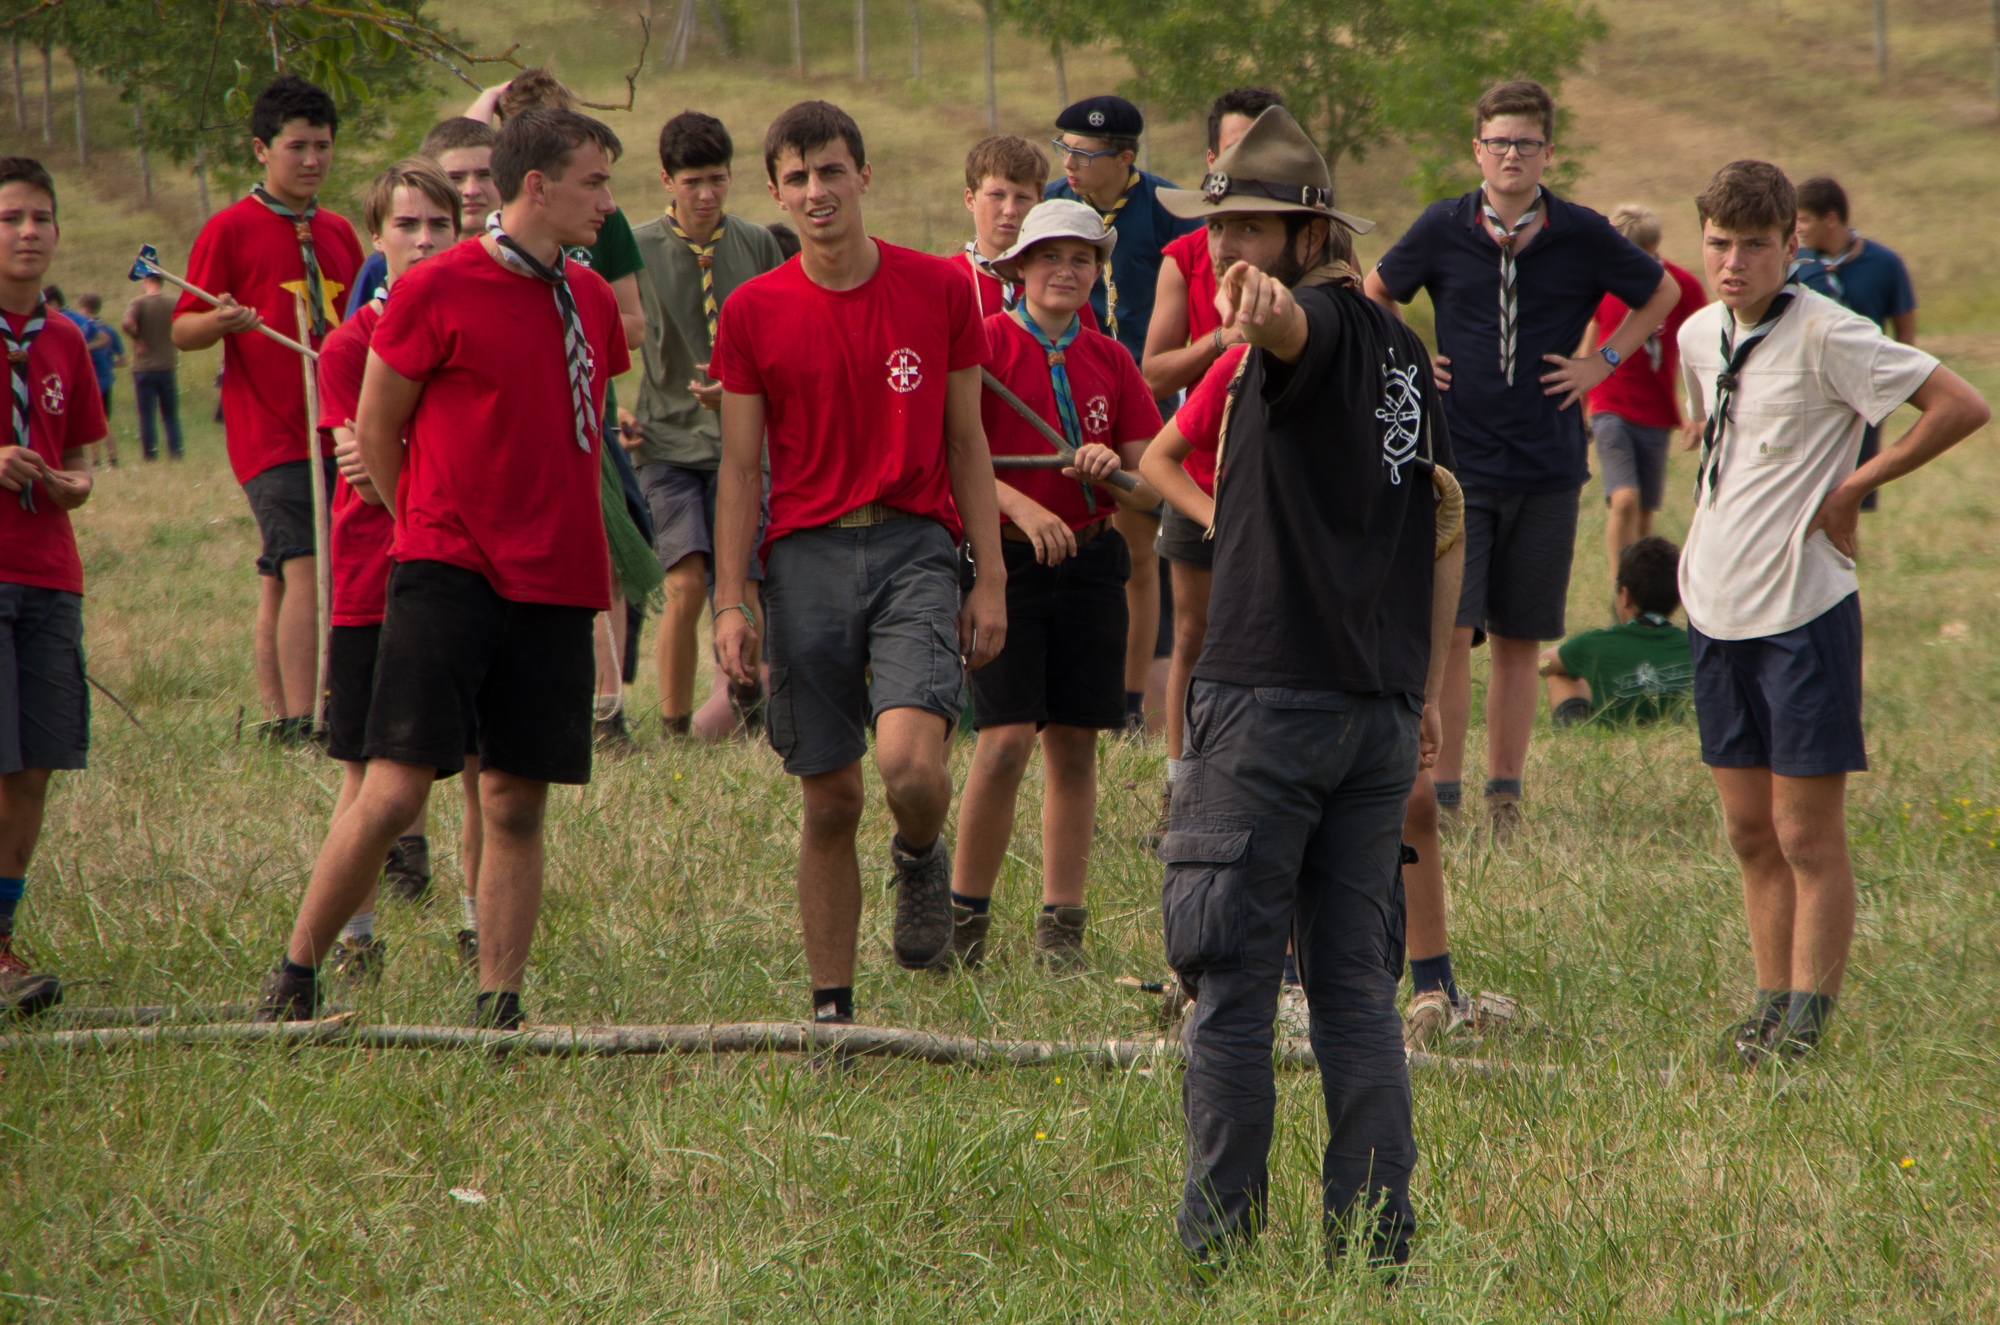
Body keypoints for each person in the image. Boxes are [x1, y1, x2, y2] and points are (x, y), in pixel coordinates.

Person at [1144, 107, 1462, 1278]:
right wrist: (1419, 685)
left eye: (1247, 227)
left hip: (1268, 704)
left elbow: (1285, 323)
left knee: (1231, 989)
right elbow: (1443, 518)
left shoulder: (1312, 323)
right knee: (1355, 995)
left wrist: (1262, 307)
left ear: (1309, 231)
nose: (1223, 247)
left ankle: (1218, 1261)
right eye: (1216, 227)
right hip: (1371, 711)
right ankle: (1373, 1254)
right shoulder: (1401, 350)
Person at [252, 108, 630, 1028]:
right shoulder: (438, 288)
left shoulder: (589, 298)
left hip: (556, 580)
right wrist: (426, 520)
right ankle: (296, 976)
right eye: (594, 182)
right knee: (394, 788)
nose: (608, 203)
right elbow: (378, 428)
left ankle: (500, 1005)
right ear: (536, 185)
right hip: (448, 570)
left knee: (516, 798)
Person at [1677, 160, 1987, 1067]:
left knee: (1805, 833)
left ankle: (1808, 1023)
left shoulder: (1829, 332)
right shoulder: (1698, 334)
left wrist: (1853, 485)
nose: (1734, 263)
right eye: (1719, 244)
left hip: (1800, 611)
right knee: (1748, 831)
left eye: (1755, 246)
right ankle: (1768, 1004)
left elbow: (1960, 405)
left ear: (1791, 247)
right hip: (1714, 608)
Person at [708, 101, 1006, 1024]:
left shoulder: (939, 289)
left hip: (915, 543)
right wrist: (731, 599)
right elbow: (741, 469)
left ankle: (919, 854)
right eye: (797, 178)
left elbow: (968, 443)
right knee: (832, 798)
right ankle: (832, 1011)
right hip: (804, 557)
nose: (817, 192)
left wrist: (990, 576)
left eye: (832, 170)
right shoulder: (752, 311)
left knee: (911, 768)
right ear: (775, 193)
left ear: (864, 175)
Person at [1364, 79, 1677, 841]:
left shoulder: (1581, 231)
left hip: (1547, 462)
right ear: (1477, 149)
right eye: (1499, 142)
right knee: (1450, 634)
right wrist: (1414, 360)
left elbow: (1660, 292)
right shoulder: (1443, 225)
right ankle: (1442, 794)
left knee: (1519, 639)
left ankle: (1504, 796)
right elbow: (1376, 291)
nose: (1512, 155)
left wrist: (1602, 362)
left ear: (1547, 152)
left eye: (1526, 143)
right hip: (1457, 464)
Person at [948, 200, 1161, 971]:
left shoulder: (1113, 359)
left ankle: (1061, 931)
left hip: (1094, 562)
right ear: (1018, 268)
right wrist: (1022, 504)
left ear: (1099, 270)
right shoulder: (985, 347)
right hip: (1005, 565)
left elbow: (1151, 483)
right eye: (1050, 257)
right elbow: (953, 456)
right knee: (1005, 741)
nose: (1066, 271)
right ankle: (963, 923)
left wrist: (1114, 470)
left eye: (1082, 258)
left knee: (1074, 745)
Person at [313, 158, 485, 981]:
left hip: (469, 577)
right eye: (405, 225)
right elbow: (368, 466)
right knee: (367, 771)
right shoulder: (350, 344)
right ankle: (355, 936)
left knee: (484, 767)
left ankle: (478, 922)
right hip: (372, 581)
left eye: (438, 224)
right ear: (376, 237)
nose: (423, 240)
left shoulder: (477, 329)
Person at [172, 75, 366, 743]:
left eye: (322, 146)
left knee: (290, 570)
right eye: (296, 147)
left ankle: (289, 709)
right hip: (272, 434)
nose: (311, 160)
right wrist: (220, 321)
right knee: (306, 561)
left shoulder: (338, 232)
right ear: (261, 149)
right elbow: (183, 328)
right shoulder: (229, 229)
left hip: (337, 426)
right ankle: (308, 719)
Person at [469, 68, 655, 749]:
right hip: (508, 430)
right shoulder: (478, 227)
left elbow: (633, 323)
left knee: (607, 551)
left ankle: (606, 708)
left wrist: (572, 312)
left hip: (586, 414)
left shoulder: (602, 221)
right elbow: (450, 154)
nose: (603, 196)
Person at [1139, 84, 1285, 839]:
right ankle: (1180, 786)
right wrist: (1220, 344)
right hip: (1198, 471)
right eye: (1234, 148)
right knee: (1192, 633)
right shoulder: (1183, 256)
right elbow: (1152, 371)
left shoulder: (1299, 252)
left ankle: (1260, 785)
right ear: (1209, 158)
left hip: (1282, 479)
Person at [627, 110, 786, 739]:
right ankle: (673, 724)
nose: (706, 195)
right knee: (686, 581)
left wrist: (747, 390)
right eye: (692, 182)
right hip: (665, 441)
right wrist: (616, 409)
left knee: (742, 581)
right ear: (667, 180)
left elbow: (779, 337)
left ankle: (748, 702)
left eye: (717, 179)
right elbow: (606, 335)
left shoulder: (757, 244)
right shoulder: (636, 248)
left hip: (742, 443)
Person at [1045, 94, 1200, 733]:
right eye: (1064, 149)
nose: (1070, 164)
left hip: (1144, 399)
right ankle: (1067, 689)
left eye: (1084, 154)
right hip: (1067, 390)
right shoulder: (1054, 203)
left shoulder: (1166, 209)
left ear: (1125, 157)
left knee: (1138, 553)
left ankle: (1131, 704)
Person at [0, 158, 104, 1017]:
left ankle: (2, 937)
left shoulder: (64, 338)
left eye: (40, 217)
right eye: (10, 219)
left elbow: (79, 452)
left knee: (35, 763)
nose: (28, 232)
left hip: (49, 573)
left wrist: (76, 484)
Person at [1583, 205, 1706, 585]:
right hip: (1609, 403)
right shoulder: (1603, 280)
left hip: (1656, 412)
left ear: (1653, 248)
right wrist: (1580, 401)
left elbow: (1700, 351)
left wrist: (1699, 412)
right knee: (1624, 501)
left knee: (1645, 515)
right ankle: (1622, 594)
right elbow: (1592, 337)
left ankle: (1641, 597)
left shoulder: (1682, 286)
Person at [1795, 176, 1918, 514]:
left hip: (1862, 393)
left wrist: (1892, 388)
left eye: (1804, 219)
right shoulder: (1795, 266)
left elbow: (1905, 333)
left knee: (1851, 491)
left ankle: (1846, 544)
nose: (1797, 229)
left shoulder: (1885, 264)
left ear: (1830, 218)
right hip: (1808, 390)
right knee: (1805, 487)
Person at [344, 118, 502, 315]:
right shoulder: (380, 267)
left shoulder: (517, 260)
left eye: (485, 175)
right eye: (455, 178)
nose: (471, 190)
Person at [1538, 534, 1692, 727]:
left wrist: (1575, 665)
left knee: (1560, 674)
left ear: (1625, 596)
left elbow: (1542, 663)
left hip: (1614, 728)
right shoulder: (1695, 645)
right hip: (1677, 729)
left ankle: (1574, 731)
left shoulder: (1594, 644)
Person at [43, 287, 114, 467]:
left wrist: (82, 349)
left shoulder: (64, 320)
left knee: (92, 420)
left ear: (55, 303)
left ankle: (102, 459)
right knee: (93, 420)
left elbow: (103, 338)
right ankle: (104, 459)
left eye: (46, 304)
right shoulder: (77, 318)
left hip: (85, 376)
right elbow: (104, 338)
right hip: (94, 375)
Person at [122, 272, 183, 461]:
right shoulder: (173, 303)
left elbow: (127, 323)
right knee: (170, 415)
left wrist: (138, 339)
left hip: (144, 368)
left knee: (147, 415)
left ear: (147, 281)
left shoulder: (139, 303)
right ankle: (176, 453)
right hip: (167, 366)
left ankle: (150, 455)